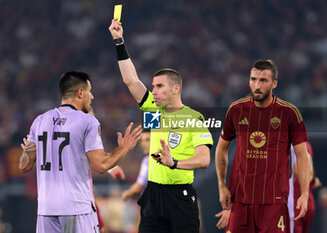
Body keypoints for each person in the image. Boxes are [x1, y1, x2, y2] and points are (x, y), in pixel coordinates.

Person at [108, 19, 214, 233]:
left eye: (159, 86)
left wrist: (173, 162)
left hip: (180, 197)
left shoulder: (193, 118)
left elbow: (204, 160)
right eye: (153, 86)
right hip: (153, 197)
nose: (153, 90)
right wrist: (119, 41)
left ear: (176, 89)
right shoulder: (153, 111)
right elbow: (131, 80)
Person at [18, 71, 143, 233]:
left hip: (46, 210)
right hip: (75, 208)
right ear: (80, 93)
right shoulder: (87, 121)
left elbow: (24, 166)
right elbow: (101, 165)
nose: (92, 97)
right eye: (90, 91)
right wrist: (124, 148)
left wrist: (29, 151)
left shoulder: (40, 121)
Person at [215, 60, 311, 233]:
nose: (257, 85)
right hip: (240, 201)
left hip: (273, 203)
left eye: (263, 81)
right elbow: (221, 148)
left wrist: (304, 193)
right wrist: (221, 185)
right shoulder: (236, 110)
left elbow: (302, 156)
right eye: (253, 79)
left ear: (274, 83)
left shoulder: (289, 113)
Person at [289, 142, 321, 233]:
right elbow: (312, 177)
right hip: (309, 202)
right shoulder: (307, 145)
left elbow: (296, 172)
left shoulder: (291, 145)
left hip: (297, 202)